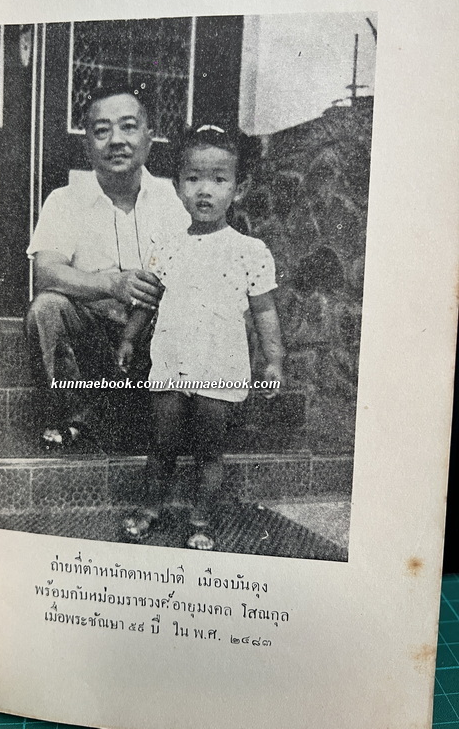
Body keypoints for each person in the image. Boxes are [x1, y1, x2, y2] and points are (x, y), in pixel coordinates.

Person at [118, 123, 285, 551]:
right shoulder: (167, 246)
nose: (205, 190)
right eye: (193, 179)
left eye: (219, 179)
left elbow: (264, 311)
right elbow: (148, 300)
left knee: (209, 450)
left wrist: (274, 360)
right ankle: (152, 507)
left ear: (239, 188)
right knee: (162, 443)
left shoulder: (250, 250)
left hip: (220, 363)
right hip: (172, 359)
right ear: (177, 187)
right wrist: (130, 339)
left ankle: (202, 518)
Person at [26, 81, 189, 449]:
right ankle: (73, 420)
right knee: (47, 308)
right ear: (87, 144)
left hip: (152, 337)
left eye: (129, 126)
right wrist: (111, 285)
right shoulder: (65, 200)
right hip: (92, 340)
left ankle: (177, 422)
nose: (116, 140)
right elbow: (46, 272)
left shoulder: (173, 199)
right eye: (102, 130)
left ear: (149, 136)